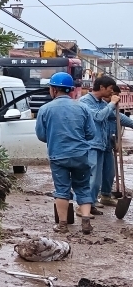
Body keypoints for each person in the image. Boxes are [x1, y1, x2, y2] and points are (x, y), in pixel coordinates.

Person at [35, 72, 97, 234]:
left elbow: (41, 135)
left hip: (58, 155)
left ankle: (62, 225)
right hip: (80, 155)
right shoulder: (83, 107)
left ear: (54, 90)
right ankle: (85, 221)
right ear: (70, 90)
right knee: (83, 187)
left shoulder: (45, 109)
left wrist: (55, 138)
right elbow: (91, 133)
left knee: (61, 190)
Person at [79, 76, 133, 210]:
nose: (111, 92)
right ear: (102, 87)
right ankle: (85, 205)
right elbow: (98, 116)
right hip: (91, 144)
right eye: (110, 89)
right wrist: (112, 103)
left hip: (102, 144)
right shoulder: (85, 102)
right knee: (92, 177)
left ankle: (95, 201)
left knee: (101, 177)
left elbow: (118, 116)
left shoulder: (102, 103)